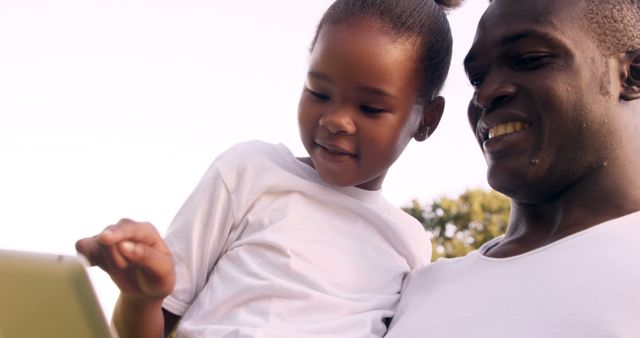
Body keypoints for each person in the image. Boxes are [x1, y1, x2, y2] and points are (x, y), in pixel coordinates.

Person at [75, 0, 464, 337]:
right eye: (319, 92)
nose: (335, 120)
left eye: (370, 108)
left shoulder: (410, 244)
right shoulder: (250, 173)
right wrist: (143, 298)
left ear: (427, 120)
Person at [385, 0, 640, 337]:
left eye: (529, 60)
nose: (486, 94)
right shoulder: (416, 289)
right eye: (477, 79)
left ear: (631, 75)